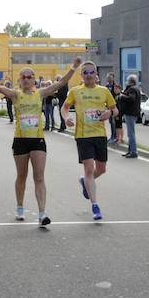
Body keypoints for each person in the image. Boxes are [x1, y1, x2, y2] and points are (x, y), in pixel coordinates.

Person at [0, 56, 80, 226]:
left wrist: (74, 68)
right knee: (22, 176)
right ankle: (20, 207)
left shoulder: (40, 93)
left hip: (38, 140)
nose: (26, 79)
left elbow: (60, 84)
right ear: (19, 80)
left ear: (34, 79)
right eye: (23, 77)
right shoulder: (15, 94)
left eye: (29, 76)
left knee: (39, 176)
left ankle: (42, 213)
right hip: (21, 141)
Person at [61, 60, 118, 221]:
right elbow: (64, 108)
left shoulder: (104, 91)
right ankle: (95, 205)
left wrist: (109, 113)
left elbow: (115, 109)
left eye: (91, 72)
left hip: (99, 134)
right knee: (89, 168)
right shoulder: (75, 91)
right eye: (85, 73)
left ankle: (85, 181)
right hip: (83, 135)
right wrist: (66, 118)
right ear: (81, 76)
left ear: (96, 74)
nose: (88, 75)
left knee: (101, 169)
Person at [118, 75, 141, 158]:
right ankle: (130, 150)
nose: (126, 82)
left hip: (130, 113)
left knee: (131, 134)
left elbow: (131, 98)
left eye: (127, 80)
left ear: (130, 82)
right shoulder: (136, 88)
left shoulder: (132, 89)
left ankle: (133, 151)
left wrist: (122, 96)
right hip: (133, 113)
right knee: (130, 133)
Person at [104, 72, 118, 143]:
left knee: (113, 122)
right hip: (108, 107)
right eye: (107, 77)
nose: (108, 79)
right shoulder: (106, 86)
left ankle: (115, 137)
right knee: (110, 122)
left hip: (113, 107)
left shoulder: (115, 86)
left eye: (109, 77)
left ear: (113, 78)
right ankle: (112, 136)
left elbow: (117, 95)